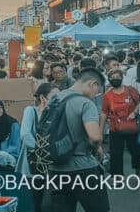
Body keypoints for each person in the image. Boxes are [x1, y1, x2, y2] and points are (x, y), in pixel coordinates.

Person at [49, 68, 109, 212]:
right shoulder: (85, 103)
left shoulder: (55, 98)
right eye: (98, 91)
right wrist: (97, 147)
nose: (96, 95)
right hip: (82, 167)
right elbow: (94, 137)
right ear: (93, 84)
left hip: (55, 166)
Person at [100, 67, 140, 176]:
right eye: (112, 77)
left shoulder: (130, 90)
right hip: (115, 127)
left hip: (131, 125)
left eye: (117, 77)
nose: (115, 79)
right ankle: (117, 176)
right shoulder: (107, 95)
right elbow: (104, 112)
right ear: (109, 79)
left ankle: (139, 171)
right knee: (115, 154)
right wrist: (100, 130)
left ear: (122, 78)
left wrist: (134, 112)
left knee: (136, 151)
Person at [22, 83, 53, 212]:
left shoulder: (55, 113)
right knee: (37, 197)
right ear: (42, 97)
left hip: (54, 162)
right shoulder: (31, 111)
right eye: (54, 96)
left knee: (54, 198)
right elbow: (25, 135)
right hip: (37, 160)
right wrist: (42, 150)